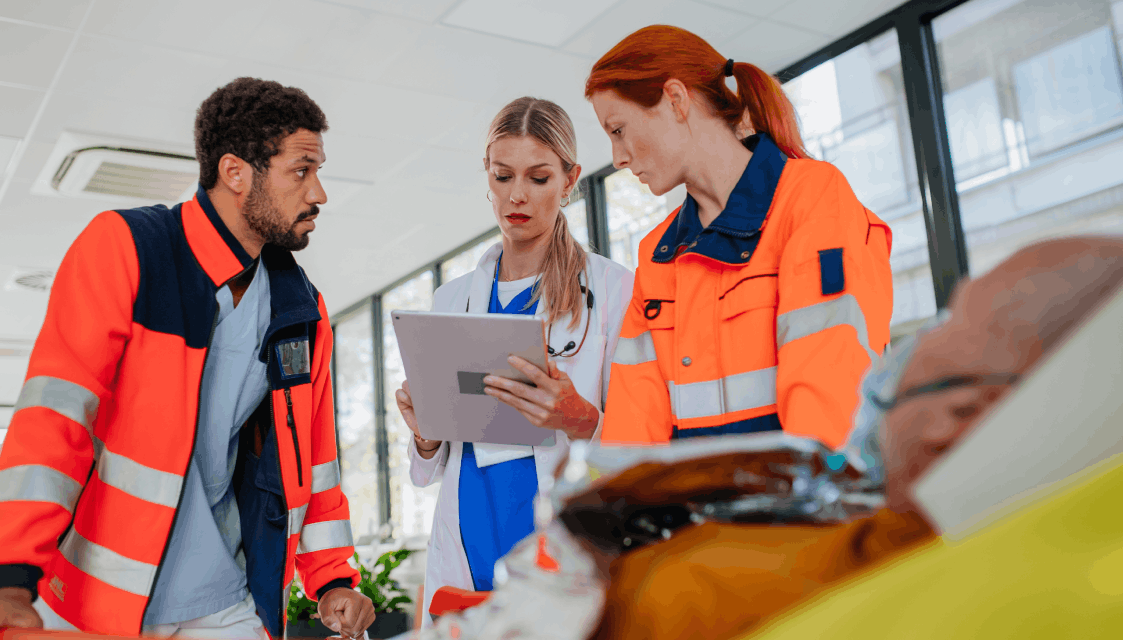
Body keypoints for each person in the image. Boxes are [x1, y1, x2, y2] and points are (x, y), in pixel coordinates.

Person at [0, 78, 374, 640]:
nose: (318, 192)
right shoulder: (126, 248)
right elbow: (55, 417)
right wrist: (9, 582)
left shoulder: (301, 307)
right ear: (235, 172)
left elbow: (313, 459)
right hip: (98, 598)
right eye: (301, 170)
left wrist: (331, 579)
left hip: (224, 599)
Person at [590, 236, 1123, 639]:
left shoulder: (701, 592)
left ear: (960, 413)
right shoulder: (1068, 578)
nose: (912, 343)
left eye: (948, 319)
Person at [584, 25, 894, 447]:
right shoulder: (657, 255)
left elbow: (828, 403)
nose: (618, 157)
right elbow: (633, 433)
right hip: (701, 494)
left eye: (618, 130)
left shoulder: (811, 199)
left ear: (675, 99)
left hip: (802, 488)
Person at [394, 97, 634, 622]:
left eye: (538, 178)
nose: (516, 195)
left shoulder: (614, 291)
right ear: (487, 174)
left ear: (570, 180)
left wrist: (582, 419)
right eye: (502, 176)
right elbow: (432, 467)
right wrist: (425, 436)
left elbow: (642, 445)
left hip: (561, 544)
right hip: (468, 546)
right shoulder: (450, 300)